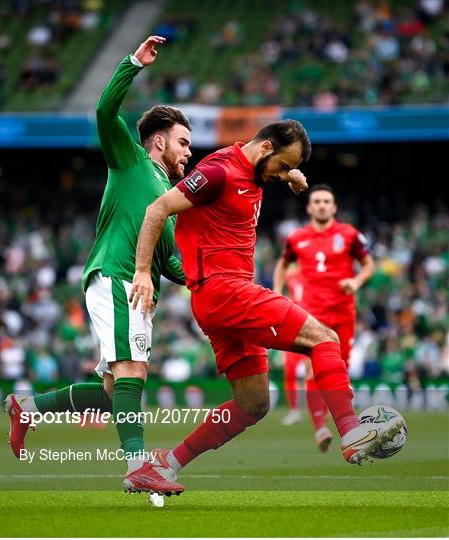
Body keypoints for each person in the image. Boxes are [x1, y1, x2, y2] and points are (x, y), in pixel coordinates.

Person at [129, 120, 403, 494]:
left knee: (253, 403)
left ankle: (164, 464)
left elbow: (264, 172)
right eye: (281, 166)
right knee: (324, 339)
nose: (280, 175)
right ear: (265, 149)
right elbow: (157, 209)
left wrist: (291, 176)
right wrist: (144, 271)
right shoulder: (218, 172)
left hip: (217, 300)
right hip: (226, 292)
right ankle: (351, 430)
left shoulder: (252, 166)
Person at [5, 36, 190, 495]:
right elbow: (106, 114)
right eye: (184, 143)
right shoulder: (130, 162)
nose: (189, 152)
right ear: (159, 141)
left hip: (138, 287)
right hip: (118, 277)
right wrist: (132, 64)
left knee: (111, 393)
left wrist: (210, 281)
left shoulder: (168, 200)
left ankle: (26, 407)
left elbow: (169, 261)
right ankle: (137, 465)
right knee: (132, 373)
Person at [273, 184, 375, 451]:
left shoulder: (349, 234)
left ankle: (334, 416)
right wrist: (277, 291)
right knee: (311, 367)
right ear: (309, 207)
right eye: (316, 201)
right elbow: (282, 265)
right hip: (313, 313)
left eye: (326, 201)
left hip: (343, 312)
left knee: (339, 370)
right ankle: (320, 428)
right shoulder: (297, 238)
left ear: (334, 207)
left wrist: (356, 281)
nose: (321, 205)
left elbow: (369, 264)